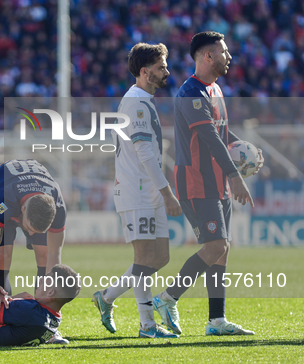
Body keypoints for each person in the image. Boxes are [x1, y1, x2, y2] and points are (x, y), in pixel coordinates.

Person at [152, 31, 263, 336]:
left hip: (216, 182)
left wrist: (247, 152)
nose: (229, 56)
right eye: (224, 52)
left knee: (222, 251)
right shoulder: (191, 93)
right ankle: (167, 298)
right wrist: (235, 176)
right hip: (197, 182)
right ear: (207, 56)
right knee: (216, 245)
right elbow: (209, 139)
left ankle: (216, 321)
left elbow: (223, 137)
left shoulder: (215, 90)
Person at [91, 43, 182, 339]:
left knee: (161, 257)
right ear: (145, 72)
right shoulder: (135, 102)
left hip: (148, 191)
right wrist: (167, 192)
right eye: (160, 67)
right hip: (137, 191)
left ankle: (106, 297)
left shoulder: (143, 100)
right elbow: (143, 152)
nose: (166, 72)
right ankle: (147, 326)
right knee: (144, 259)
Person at [0, 159, 68, 344]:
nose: (29, 234)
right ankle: (2, 317)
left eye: (36, 232)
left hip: (32, 194)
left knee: (44, 254)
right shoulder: (4, 200)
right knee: (4, 256)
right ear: (22, 211)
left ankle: (44, 323)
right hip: (3, 188)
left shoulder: (58, 206)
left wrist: (52, 298)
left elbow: (55, 254)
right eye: (28, 228)